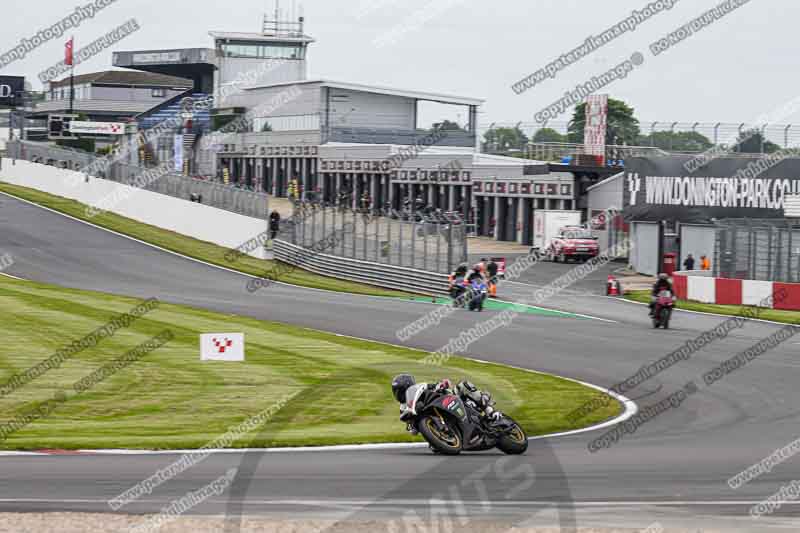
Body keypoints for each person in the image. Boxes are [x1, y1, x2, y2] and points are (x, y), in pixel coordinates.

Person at [391, 375, 502, 430]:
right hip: (438, 420)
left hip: (449, 400)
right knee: (435, 449)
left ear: (409, 386)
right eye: (396, 392)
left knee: (463, 385)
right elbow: (412, 430)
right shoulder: (403, 408)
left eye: (401, 391)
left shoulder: (420, 388)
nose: (398, 394)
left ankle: (490, 411)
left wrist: (442, 384)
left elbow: (436, 385)